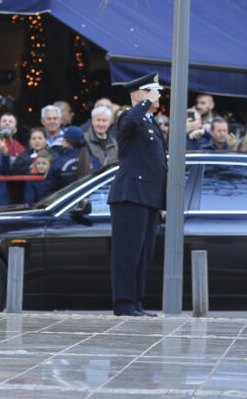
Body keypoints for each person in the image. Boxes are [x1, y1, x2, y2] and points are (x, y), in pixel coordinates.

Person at [108, 72, 167, 317]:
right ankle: (124, 304)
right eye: (153, 91)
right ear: (137, 95)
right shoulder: (129, 117)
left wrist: (162, 201)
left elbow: (158, 163)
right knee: (127, 253)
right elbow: (129, 121)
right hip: (130, 194)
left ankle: (136, 302)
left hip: (149, 197)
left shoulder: (150, 121)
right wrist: (143, 102)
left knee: (143, 254)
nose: (158, 95)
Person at [48, 126, 93, 193]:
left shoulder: (59, 163)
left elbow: (49, 188)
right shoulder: (94, 161)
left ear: (66, 142)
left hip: (64, 202)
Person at [14, 128, 49, 204]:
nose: (37, 141)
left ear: (45, 140)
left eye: (40, 138)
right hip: (27, 195)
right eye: (33, 138)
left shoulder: (53, 154)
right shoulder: (22, 157)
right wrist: (29, 167)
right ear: (29, 142)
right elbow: (15, 174)